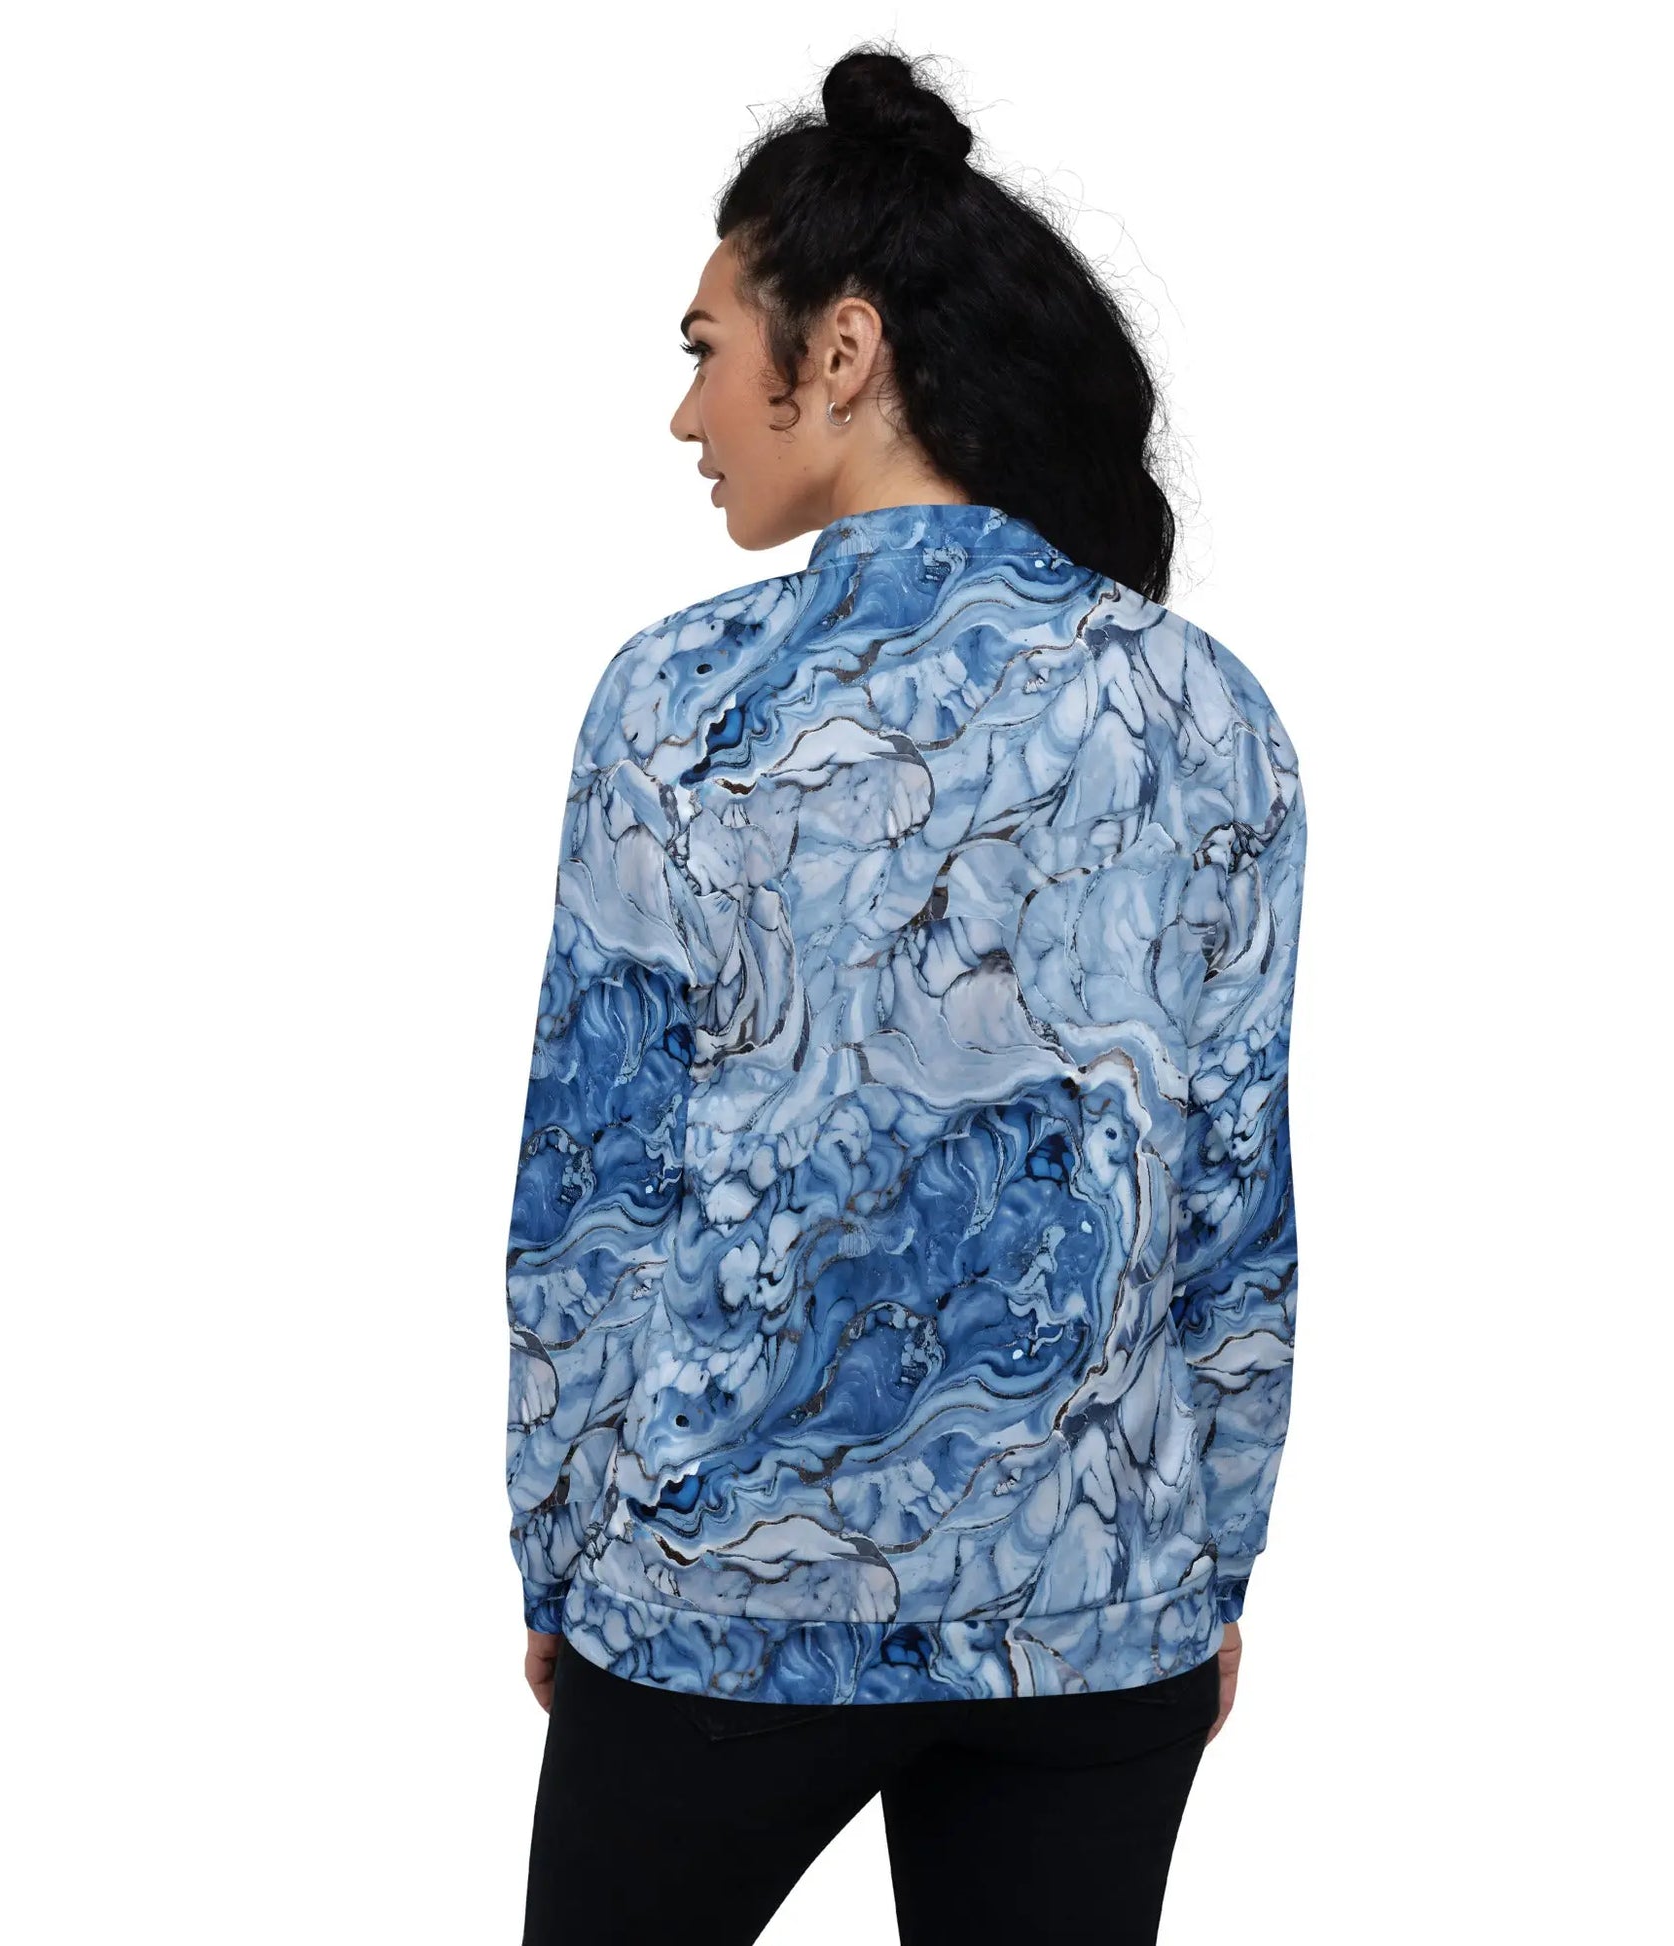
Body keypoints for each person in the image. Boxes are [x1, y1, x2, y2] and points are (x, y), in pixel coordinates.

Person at [506, 42, 1307, 1946]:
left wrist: (561, 1542)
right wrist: (1199, 1565)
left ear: (842, 349)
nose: (688, 411)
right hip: (1092, 1610)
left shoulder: (679, 703)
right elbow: (1233, 1208)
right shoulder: (1205, 713)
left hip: (716, 1602)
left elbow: (594, 1183)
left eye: (708, 348)